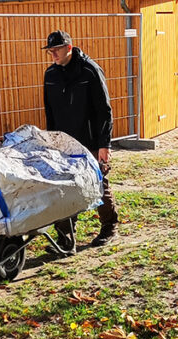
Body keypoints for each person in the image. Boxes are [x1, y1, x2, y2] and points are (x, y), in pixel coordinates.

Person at [42, 30, 119, 251]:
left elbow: (104, 110)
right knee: (63, 186)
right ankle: (65, 238)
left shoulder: (90, 71)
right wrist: (53, 140)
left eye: (56, 49)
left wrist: (104, 144)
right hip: (64, 141)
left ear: (68, 47)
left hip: (91, 140)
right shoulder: (50, 75)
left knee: (97, 183)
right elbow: (50, 111)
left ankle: (109, 227)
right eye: (50, 51)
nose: (53, 54)